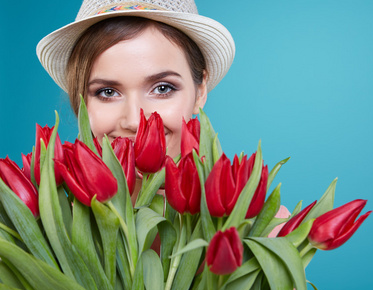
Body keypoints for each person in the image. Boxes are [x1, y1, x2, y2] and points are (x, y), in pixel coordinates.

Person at [37, 0, 235, 201]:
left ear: (200, 92)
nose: (134, 122)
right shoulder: (46, 232)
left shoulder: (261, 232)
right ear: (81, 103)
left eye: (162, 88)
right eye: (107, 92)